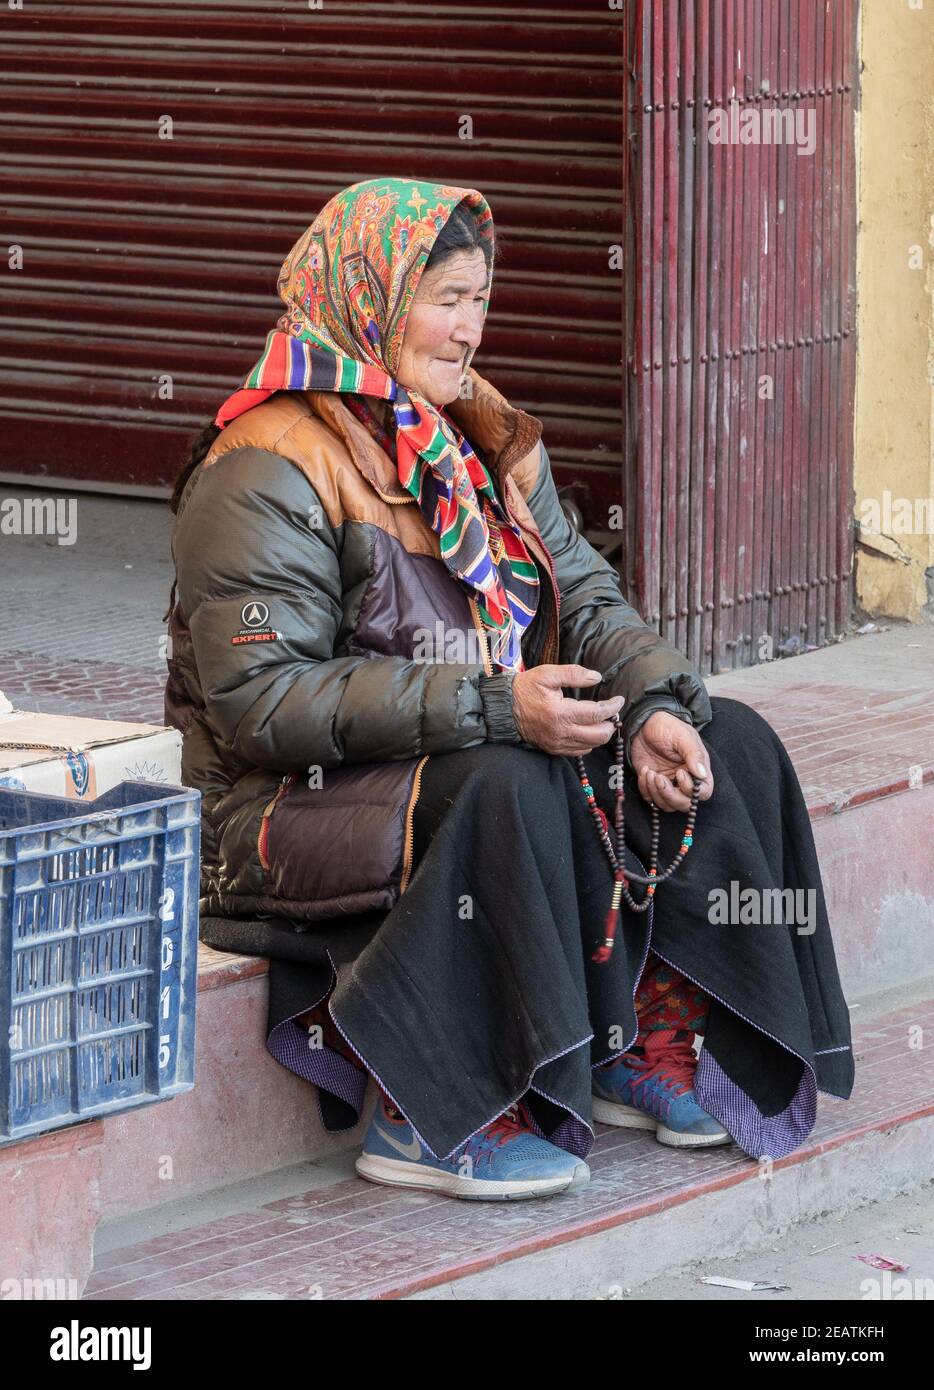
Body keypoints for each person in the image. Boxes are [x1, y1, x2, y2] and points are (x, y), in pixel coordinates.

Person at [164, 177, 854, 1202]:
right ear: (371, 297)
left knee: (728, 737)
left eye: (480, 301)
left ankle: (623, 1038)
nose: (467, 330)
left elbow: (585, 596)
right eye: (445, 298)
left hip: (455, 752)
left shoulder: (477, 440)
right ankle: (425, 1111)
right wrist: (498, 702)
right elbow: (263, 705)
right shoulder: (266, 462)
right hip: (276, 816)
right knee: (508, 777)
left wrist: (656, 701)